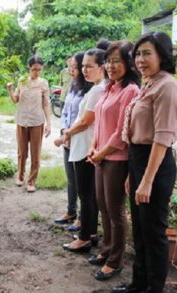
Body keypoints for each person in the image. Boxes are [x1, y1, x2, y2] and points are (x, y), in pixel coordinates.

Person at [113, 32, 177, 293]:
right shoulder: (150, 83)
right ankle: (138, 283)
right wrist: (134, 174)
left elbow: (163, 137)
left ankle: (154, 288)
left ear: (162, 56)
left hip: (155, 163)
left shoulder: (167, 86)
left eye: (147, 54)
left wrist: (146, 180)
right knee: (141, 231)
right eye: (138, 54)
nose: (140, 60)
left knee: (154, 233)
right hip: (139, 161)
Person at [87, 41, 140, 281]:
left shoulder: (130, 91)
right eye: (108, 61)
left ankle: (115, 260)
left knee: (116, 211)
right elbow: (99, 123)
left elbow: (121, 133)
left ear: (128, 62)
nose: (110, 65)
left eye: (116, 60)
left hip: (116, 159)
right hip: (100, 156)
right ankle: (107, 248)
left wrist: (102, 152)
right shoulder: (110, 87)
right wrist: (93, 147)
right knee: (103, 207)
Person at [62, 48, 106, 253]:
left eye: (89, 66)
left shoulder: (97, 90)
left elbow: (87, 120)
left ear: (101, 67)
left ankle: (85, 238)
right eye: (83, 66)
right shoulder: (96, 88)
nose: (84, 70)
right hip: (83, 145)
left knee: (86, 195)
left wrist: (66, 133)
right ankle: (91, 232)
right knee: (89, 195)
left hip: (84, 146)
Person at [54, 52, 91, 231]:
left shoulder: (91, 89)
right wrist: (63, 131)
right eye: (72, 67)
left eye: (76, 67)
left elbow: (84, 118)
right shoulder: (73, 86)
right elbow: (66, 110)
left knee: (82, 182)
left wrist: (68, 135)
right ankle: (71, 211)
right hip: (67, 137)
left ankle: (83, 219)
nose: (73, 70)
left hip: (78, 139)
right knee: (71, 179)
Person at [6, 55, 51, 192]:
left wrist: (49, 123)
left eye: (39, 69)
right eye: (33, 69)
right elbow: (15, 100)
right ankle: (20, 176)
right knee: (22, 151)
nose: (36, 72)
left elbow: (46, 104)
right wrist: (10, 90)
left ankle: (31, 181)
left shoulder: (44, 83)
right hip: (22, 120)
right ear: (29, 68)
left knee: (35, 153)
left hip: (37, 121)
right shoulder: (22, 81)